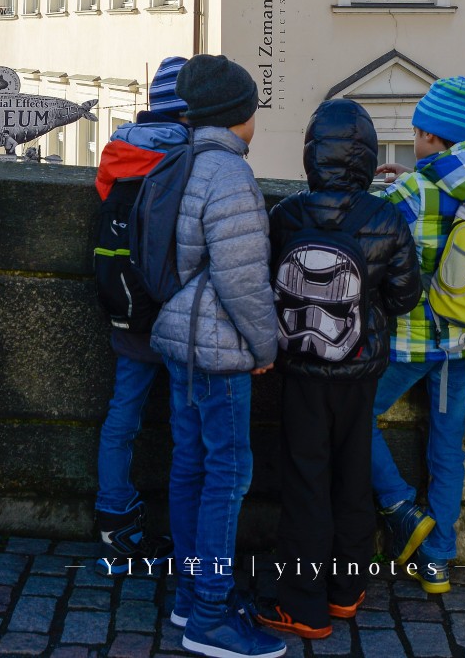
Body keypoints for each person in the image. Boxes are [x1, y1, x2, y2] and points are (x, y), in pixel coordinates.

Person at [257, 99, 420, 640]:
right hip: (359, 368)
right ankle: (346, 593)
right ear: (369, 158)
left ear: (311, 155)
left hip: (301, 367)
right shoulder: (388, 219)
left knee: (305, 483)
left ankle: (301, 606)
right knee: (352, 480)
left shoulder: (287, 215)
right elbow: (403, 298)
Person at [150, 53, 283, 658]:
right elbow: (242, 280)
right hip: (218, 349)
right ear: (239, 115)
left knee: (191, 467)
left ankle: (187, 596)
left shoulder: (184, 160)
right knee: (226, 476)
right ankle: (210, 615)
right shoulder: (229, 175)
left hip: (180, 338)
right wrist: (264, 345)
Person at [369, 75, 465, 598]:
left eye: (417, 131)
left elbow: (377, 232)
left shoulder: (408, 192)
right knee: (448, 443)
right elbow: (449, 196)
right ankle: (438, 561)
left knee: (355, 413)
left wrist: (397, 185)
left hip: (411, 339)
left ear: (431, 136)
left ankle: (402, 507)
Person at [93, 55, 189, 562]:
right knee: (185, 426)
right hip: (175, 310)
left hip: (128, 306)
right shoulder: (188, 155)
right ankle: (184, 528)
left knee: (122, 417)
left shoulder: (119, 148)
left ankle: (114, 517)